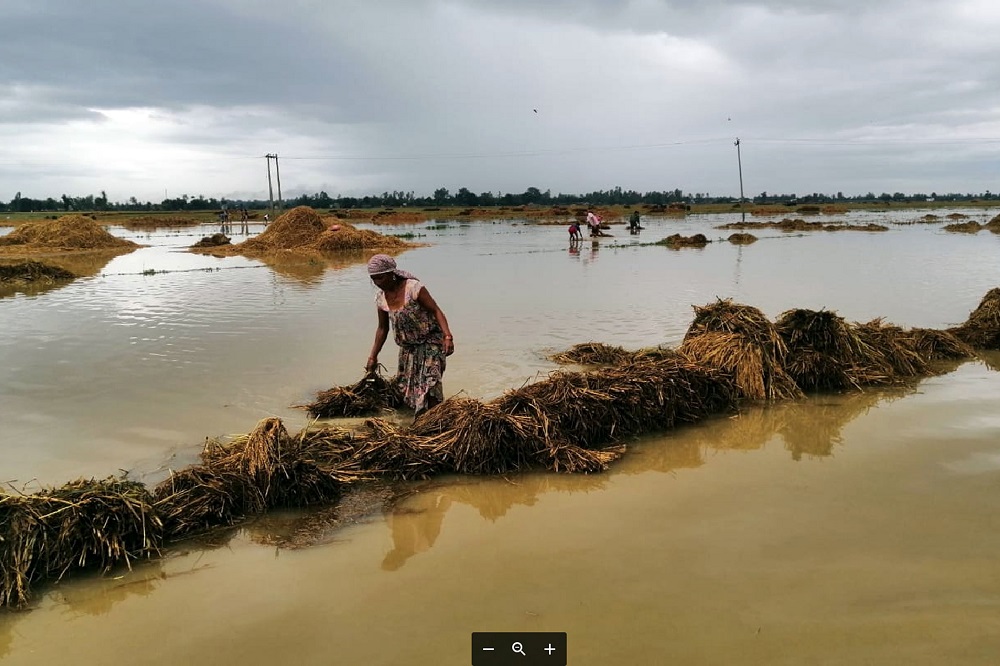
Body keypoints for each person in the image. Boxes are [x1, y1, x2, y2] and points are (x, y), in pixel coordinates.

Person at [365, 254, 454, 415]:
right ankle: (413, 423)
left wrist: (448, 336)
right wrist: (373, 356)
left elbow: (436, 310)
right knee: (406, 389)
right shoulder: (380, 299)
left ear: (391, 273)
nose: (378, 283)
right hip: (407, 350)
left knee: (430, 385)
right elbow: (382, 329)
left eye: (381, 278)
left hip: (431, 343)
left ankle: (435, 421)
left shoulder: (413, 288)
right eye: (374, 279)